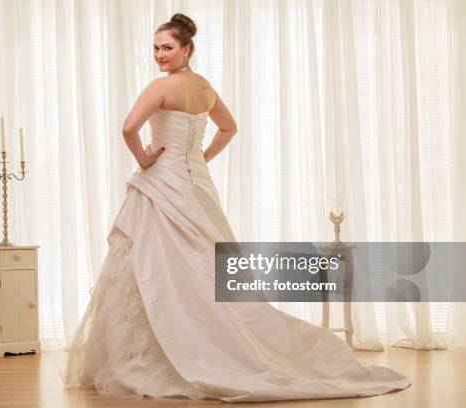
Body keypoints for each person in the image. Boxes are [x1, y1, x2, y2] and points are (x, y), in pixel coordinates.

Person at [60, 13, 411, 403]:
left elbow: (128, 127)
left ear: (187, 48)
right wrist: (200, 157)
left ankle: (160, 351)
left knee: (156, 266)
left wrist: (144, 158)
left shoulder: (161, 87)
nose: (159, 55)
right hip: (195, 187)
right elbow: (229, 127)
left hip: (162, 184)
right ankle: (202, 341)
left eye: (167, 47)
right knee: (202, 266)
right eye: (156, 48)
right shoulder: (204, 88)